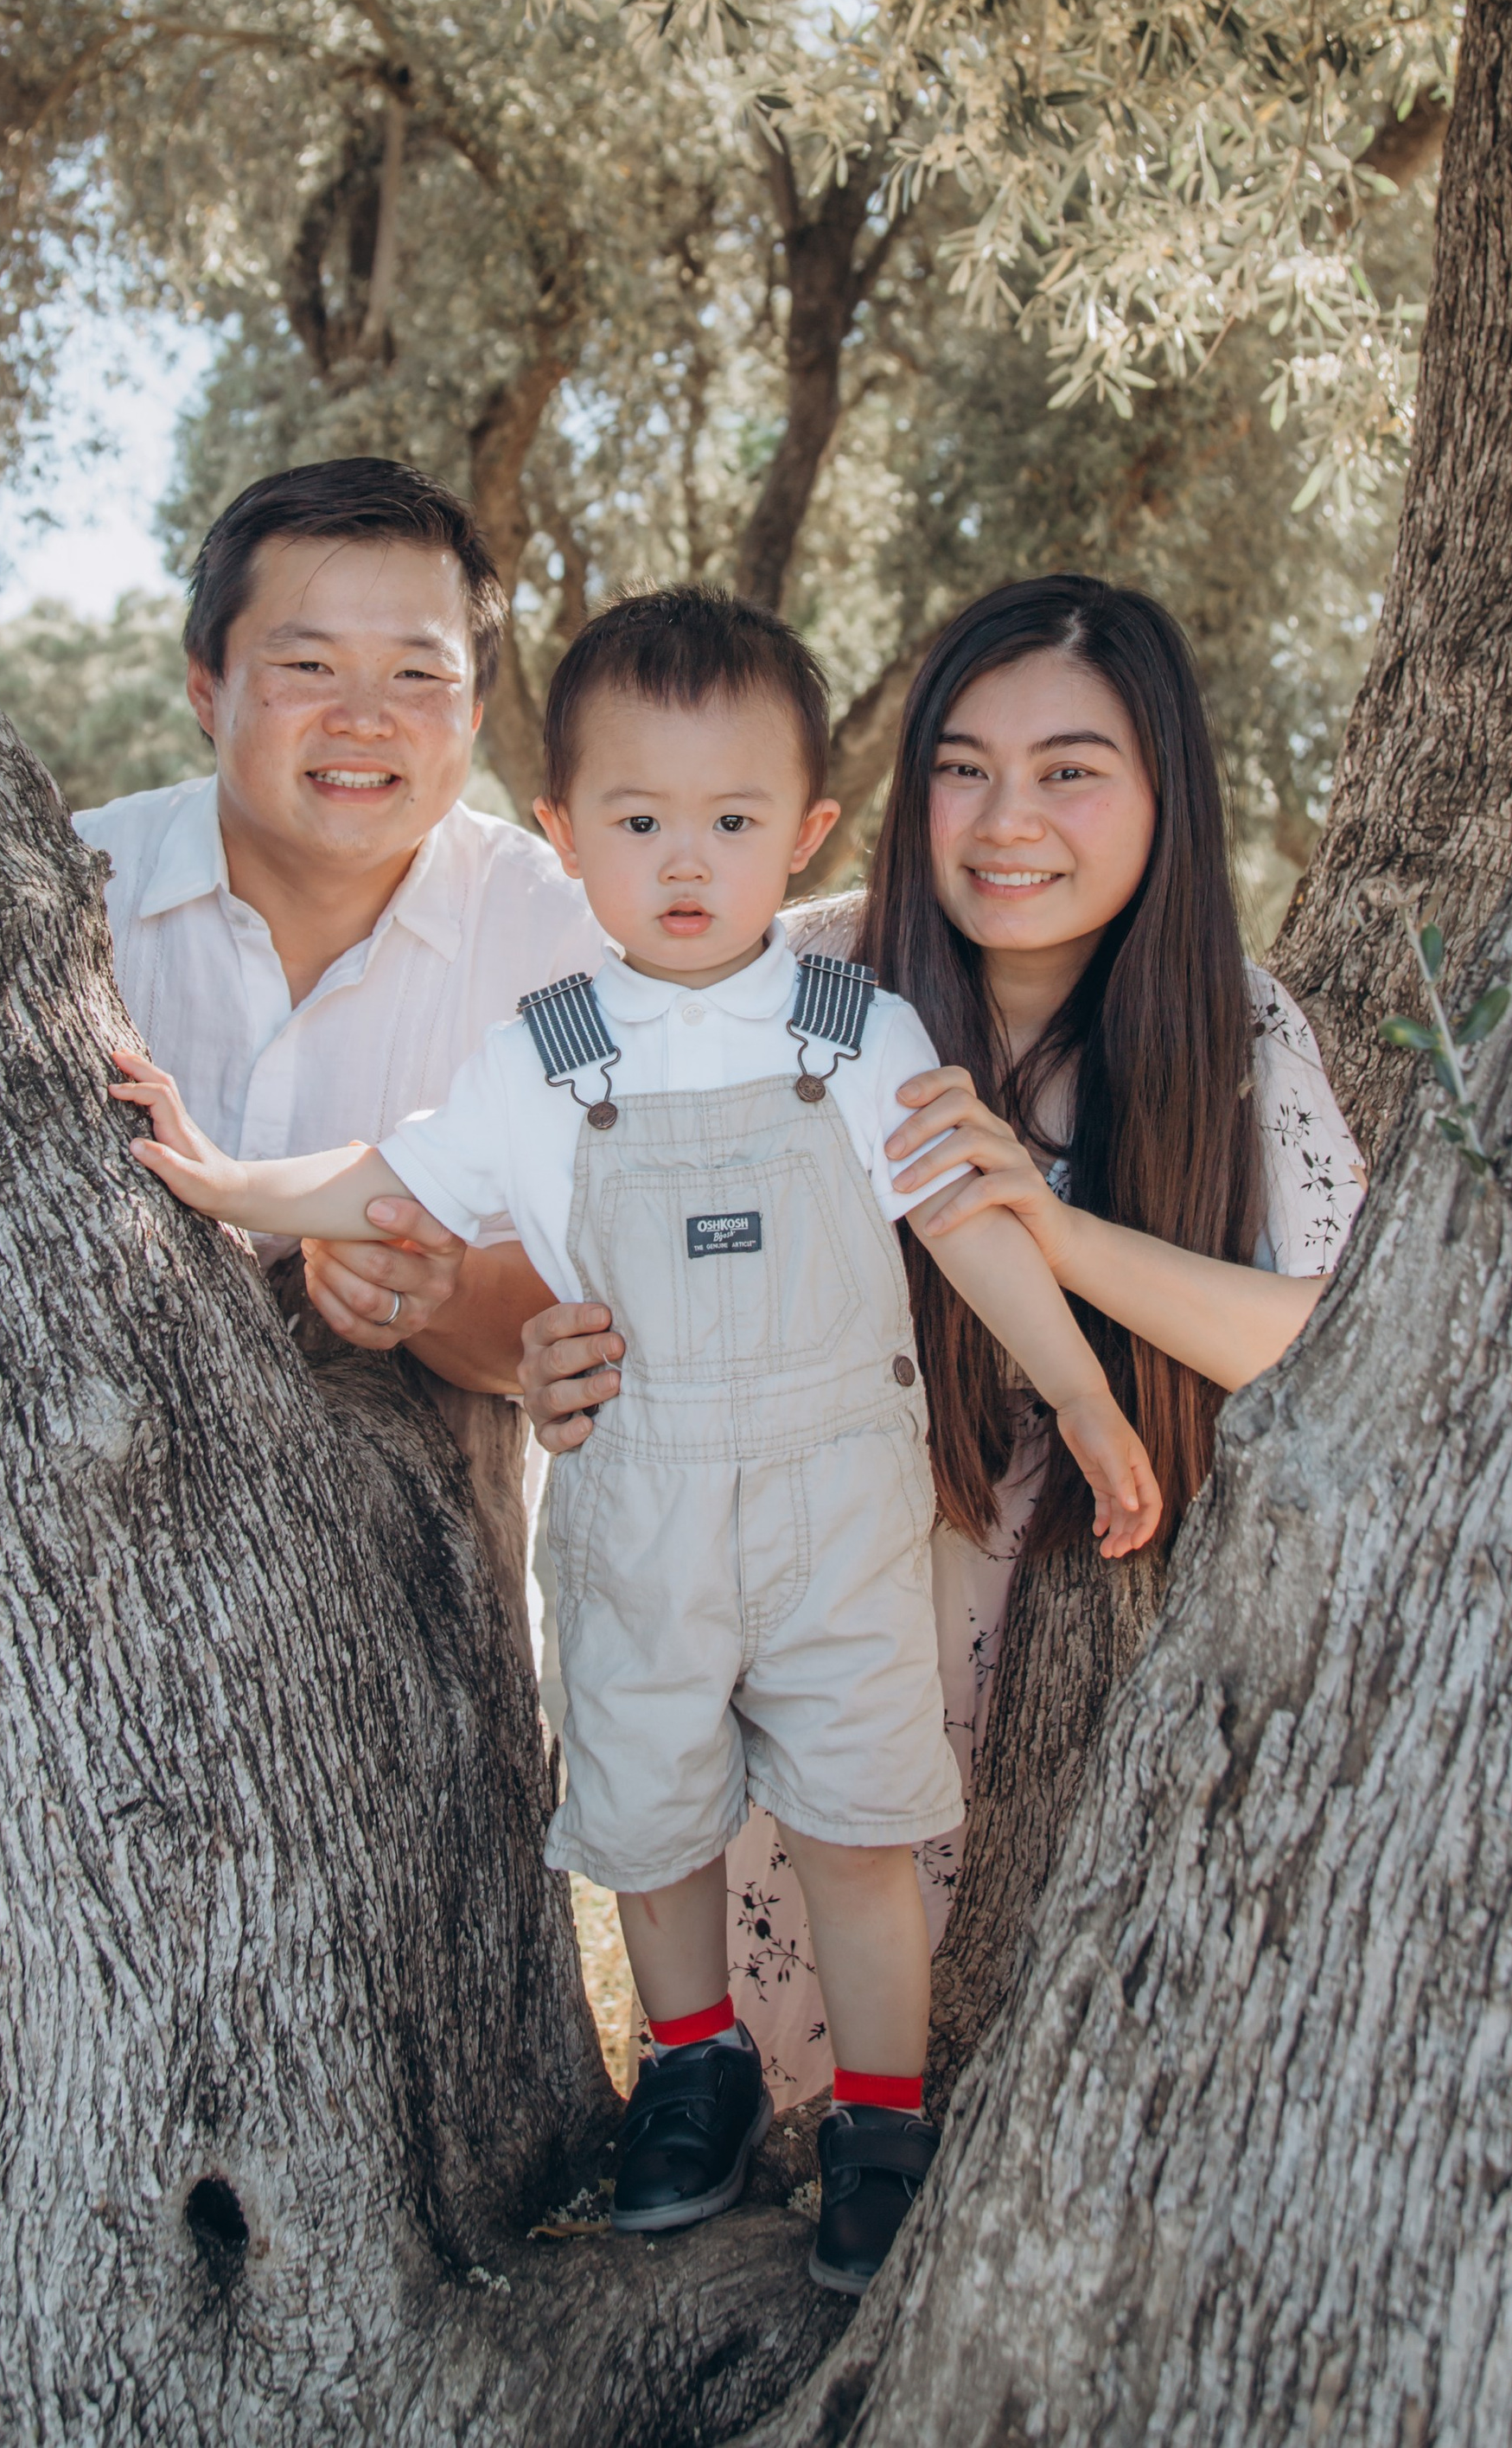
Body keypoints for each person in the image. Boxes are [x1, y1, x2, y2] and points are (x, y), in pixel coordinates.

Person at [105, 585, 1163, 2291]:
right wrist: (219, 1175)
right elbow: (384, 1176)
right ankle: (695, 2067)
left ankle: (877, 2121)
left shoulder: (851, 1028)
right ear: (561, 835)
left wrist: (1087, 1390)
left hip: (836, 1521)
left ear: (804, 832)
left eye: (733, 821)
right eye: (638, 819)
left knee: (854, 1826)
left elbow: (974, 1225)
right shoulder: (543, 1054)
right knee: (653, 1819)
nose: (687, 859)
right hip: (641, 1517)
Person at [520, 575, 1366, 2100]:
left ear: (1165, 792)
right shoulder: (796, 980)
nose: (1003, 820)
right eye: (961, 769)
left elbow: (1336, 1345)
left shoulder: (1238, 1033)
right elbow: (592, 1179)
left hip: (1102, 1630)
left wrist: (1060, 1230)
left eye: (1069, 772)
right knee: (817, 2082)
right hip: (833, 1615)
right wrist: (555, 1347)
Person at [75, 458, 602, 1614]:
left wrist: (436, 1289)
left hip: (403, 1603)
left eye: (417, 674)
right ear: (207, 688)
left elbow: (595, 1297)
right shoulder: (71, 898)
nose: (364, 718)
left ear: (469, 714)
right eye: (306, 665)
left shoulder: (560, 944)